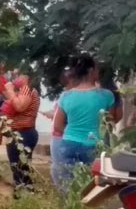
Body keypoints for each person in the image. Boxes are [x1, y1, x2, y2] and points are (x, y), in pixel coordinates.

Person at [52, 54, 121, 191]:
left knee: (68, 188)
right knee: (93, 188)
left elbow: (58, 126)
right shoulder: (106, 95)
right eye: (96, 69)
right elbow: (110, 123)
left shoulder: (66, 96)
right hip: (95, 146)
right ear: (91, 71)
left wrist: (75, 130)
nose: (98, 72)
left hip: (69, 144)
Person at [1, 73, 41, 195]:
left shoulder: (26, 89)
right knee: (17, 167)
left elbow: (20, 106)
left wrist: (10, 91)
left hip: (24, 133)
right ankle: (22, 193)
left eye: (18, 75)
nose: (15, 78)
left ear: (27, 78)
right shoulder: (21, 91)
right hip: (17, 133)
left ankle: (25, 194)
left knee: (21, 167)